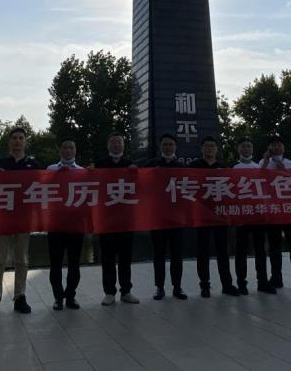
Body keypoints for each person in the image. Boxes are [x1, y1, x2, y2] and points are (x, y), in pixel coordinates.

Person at [0, 127, 42, 317]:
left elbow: (41, 189)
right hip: (3, 218)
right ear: (9, 142)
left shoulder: (33, 165)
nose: (18, 141)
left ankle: (20, 296)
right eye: (14, 138)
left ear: (25, 141)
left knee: (22, 260)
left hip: (24, 218)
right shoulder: (0, 164)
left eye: (21, 138)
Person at [91, 132, 140, 306]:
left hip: (126, 219)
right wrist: (89, 172)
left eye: (119, 142)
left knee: (125, 257)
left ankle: (126, 291)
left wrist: (137, 173)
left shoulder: (131, 165)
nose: (116, 145)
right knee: (108, 257)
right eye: (113, 142)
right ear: (108, 145)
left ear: (123, 145)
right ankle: (109, 292)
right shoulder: (99, 164)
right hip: (106, 219)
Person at [192, 137, 240, 297]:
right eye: (206, 146)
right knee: (202, 252)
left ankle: (227, 284)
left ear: (217, 149)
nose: (210, 148)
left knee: (222, 251)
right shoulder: (193, 167)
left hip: (220, 215)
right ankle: (204, 285)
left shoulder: (223, 168)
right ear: (201, 148)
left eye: (212, 146)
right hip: (201, 215)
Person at [261, 135, 291, 293]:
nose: (277, 147)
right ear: (269, 148)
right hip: (273, 210)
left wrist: (282, 169)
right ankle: (276, 277)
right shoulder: (263, 163)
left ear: (283, 147)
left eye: (279, 144)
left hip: (289, 210)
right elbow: (258, 180)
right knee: (274, 246)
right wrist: (266, 161)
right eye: (273, 145)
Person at [145, 133, 188, 300]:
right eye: (165, 144)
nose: (168, 147)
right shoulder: (151, 165)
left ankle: (177, 287)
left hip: (177, 218)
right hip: (157, 218)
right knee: (159, 255)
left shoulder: (182, 167)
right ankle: (160, 287)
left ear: (175, 146)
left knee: (177, 255)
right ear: (160, 146)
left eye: (171, 144)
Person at [47, 139, 86, 310]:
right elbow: (42, 190)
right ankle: (58, 297)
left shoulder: (82, 172)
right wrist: (57, 175)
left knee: (74, 263)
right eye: (65, 147)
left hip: (76, 225)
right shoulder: (50, 170)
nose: (68, 150)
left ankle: (70, 296)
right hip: (55, 224)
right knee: (55, 264)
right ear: (60, 150)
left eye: (71, 147)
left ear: (75, 151)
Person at [232, 137, 273, 295]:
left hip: (258, 214)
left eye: (249, 146)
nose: (246, 149)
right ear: (239, 149)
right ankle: (241, 283)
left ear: (252, 149)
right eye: (243, 146)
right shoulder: (234, 168)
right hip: (242, 215)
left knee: (260, 250)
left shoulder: (259, 167)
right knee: (241, 251)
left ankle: (262, 281)